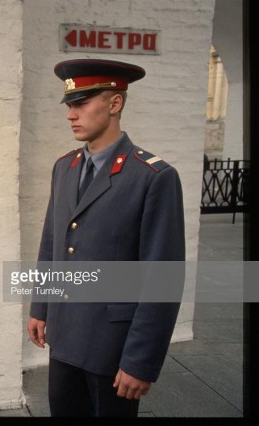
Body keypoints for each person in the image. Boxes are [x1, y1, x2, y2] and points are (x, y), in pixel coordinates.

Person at [27, 58, 185, 417]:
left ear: (115, 104)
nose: (71, 114)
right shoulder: (64, 167)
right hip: (65, 333)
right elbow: (52, 241)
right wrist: (40, 305)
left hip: (112, 346)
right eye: (69, 105)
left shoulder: (152, 177)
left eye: (81, 104)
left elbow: (163, 277)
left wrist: (141, 361)